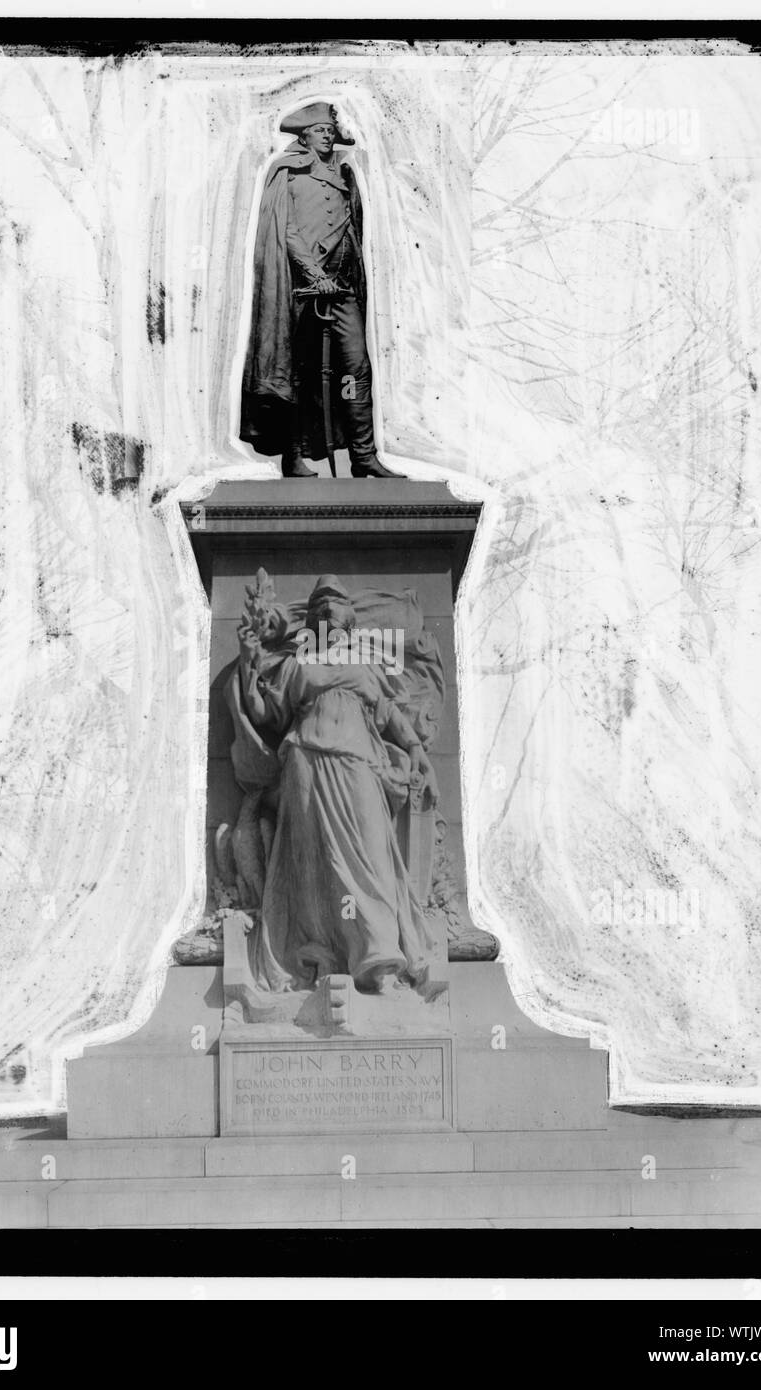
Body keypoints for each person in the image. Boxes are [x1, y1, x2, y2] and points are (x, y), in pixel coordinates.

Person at [237, 575, 438, 994]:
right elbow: (263, 713)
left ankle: (379, 956)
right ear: (311, 621)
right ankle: (320, 956)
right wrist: (248, 660)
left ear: (349, 619)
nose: (327, 609)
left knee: (370, 857)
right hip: (305, 762)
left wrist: (416, 748)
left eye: (335, 603)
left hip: (357, 764)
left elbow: (389, 717)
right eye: (319, 605)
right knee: (311, 863)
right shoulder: (296, 667)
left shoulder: (363, 666)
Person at [240, 101, 398, 479]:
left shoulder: (344, 173)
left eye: (330, 130)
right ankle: (292, 457)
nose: (327, 135)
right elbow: (286, 231)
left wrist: (340, 276)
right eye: (320, 130)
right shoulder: (288, 173)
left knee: (355, 368)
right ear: (304, 135)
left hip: (341, 288)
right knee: (297, 372)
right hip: (300, 290)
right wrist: (313, 274)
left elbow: (353, 230)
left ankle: (364, 457)